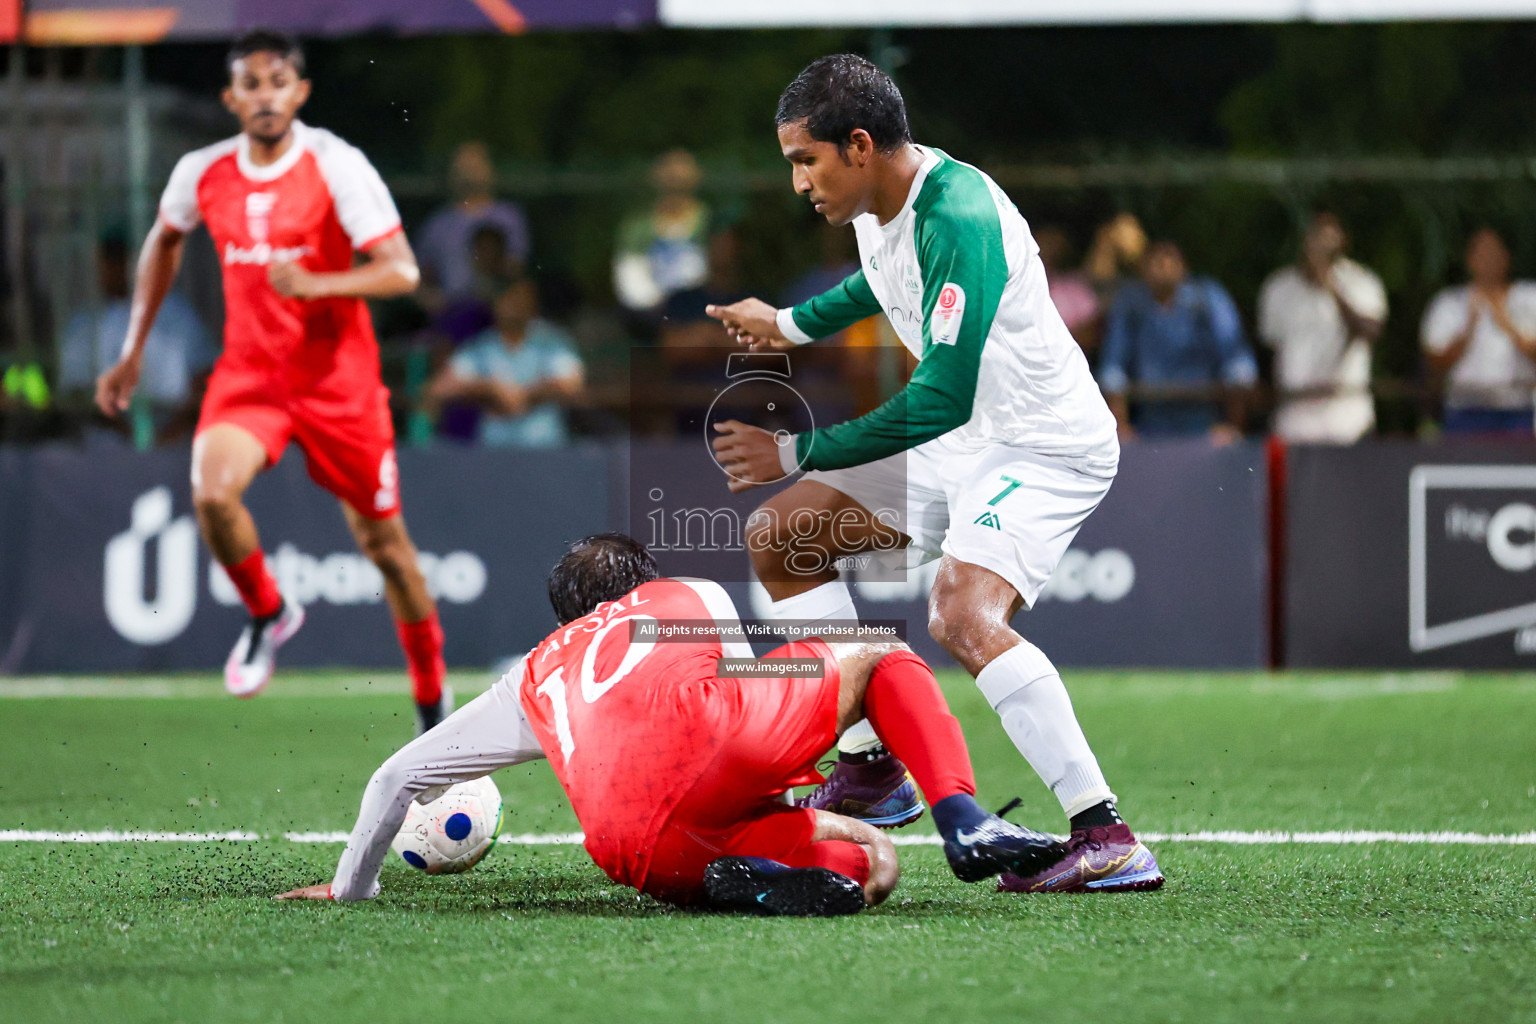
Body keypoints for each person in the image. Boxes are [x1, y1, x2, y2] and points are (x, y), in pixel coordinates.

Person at [703, 55, 1164, 895]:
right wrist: (790, 325)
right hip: (971, 438)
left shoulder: (959, 215)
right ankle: (871, 768)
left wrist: (800, 452)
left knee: (960, 614)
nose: (799, 182)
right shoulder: (881, 199)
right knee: (781, 538)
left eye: (805, 161)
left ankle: (1106, 834)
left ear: (860, 144)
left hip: (1042, 443)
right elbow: (880, 284)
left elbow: (941, 398)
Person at [276, 534, 1065, 915]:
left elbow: (397, 778)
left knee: (869, 863)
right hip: (718, 741)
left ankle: (746, 890)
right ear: (638, 583)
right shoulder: (680, 595)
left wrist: (351, 889)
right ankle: (960, 816)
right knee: (871, 651)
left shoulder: (536, 671)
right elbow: (732, 705)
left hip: (634, 847)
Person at [93, 30, 454, 734]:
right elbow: (164, 240)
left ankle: (433, 706)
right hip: (251, 378)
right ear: (231, 98)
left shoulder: (335, 164)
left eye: (278, 81)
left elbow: (402, 270)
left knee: (389, 552)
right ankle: (267, 609)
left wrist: (320, 282)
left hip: (337, 385)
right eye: (250, 84)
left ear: (300, 93)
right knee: (210, 492)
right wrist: (133, 348)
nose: (265, 95)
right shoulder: (204, 171)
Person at [1098, 239, 1257, 441]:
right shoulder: (1130, 304)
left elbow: (1238, 364)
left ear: (1184, 267)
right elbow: (1112, 368)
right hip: (1149, 423)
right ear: (1143, 269)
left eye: (1169, 258)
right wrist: (1121, 426)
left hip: (1203, 422)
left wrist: (1232, 427)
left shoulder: (1208, 298)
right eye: (1155, 260)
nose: (1163, 266)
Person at [59, 236, 215, 433]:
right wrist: (123, 431)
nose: (114, 270)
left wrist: (172, 432)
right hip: (106, 441)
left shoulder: (177, 312)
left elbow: (204, 376)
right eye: (108, 262)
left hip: (176, 437)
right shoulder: (83, 322)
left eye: (120, 260)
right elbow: (76, 393)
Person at [1257, 212, 1386, 444]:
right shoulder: (1278, 288)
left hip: (1348, 421)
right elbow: (1271, 347)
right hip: (1294, 422)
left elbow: (1370, 332)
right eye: (1315, 239)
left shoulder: (1361, 282)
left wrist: (1332, 288)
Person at [425, 277, 585, 448]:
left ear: (533, 304)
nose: (515, 306)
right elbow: (438, 389)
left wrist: (526, 394)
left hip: (546, 449)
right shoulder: (482, 346)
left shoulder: (551, 341)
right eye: (509, 299)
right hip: (494, 452)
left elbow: (572, 382)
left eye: (521, 299)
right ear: (496, 304)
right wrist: (489, 388)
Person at [1421, 227, 1536, 436]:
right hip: (1465, 410)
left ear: (1506, 256)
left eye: (1494, 252)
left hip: (1517, 409)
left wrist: (1510, 327)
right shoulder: (1450, 303)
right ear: (1470, 259)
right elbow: (1434, 360)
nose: (1488, 259)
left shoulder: (1528, 298)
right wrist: (1468, 329)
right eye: (1482, 253)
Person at [415, 141, 530, 307]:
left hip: (497, 314)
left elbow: (516, 268)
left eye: (475, 165)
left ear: (490, 170)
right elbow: (418, 276)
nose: (468, 173)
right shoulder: (438, 223)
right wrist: (434, 303)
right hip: (452, 314)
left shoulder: (508, 217)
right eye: (462, 166)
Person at [612, 149, 711, 314]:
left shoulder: (709, 220)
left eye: (683, 172)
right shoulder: (638, 226)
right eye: (670, 172)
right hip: (651, 312)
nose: (676, 177)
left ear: (697, 176)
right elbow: (630, 278)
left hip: (705, 310)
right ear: (655, 177)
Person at [1035, 225, 1100, 354]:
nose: (1049, 252)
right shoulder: (1022, 285)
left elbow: (1092, 327)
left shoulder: (1075, 286)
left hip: (1069, 356)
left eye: (1054, 247)